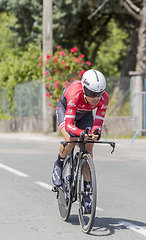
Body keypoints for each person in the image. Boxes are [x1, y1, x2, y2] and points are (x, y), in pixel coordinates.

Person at [52, 69, 109, 213]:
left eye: (99, 94)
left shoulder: (104, 98)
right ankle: (58, 164)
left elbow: (98, 122)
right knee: (71, 139)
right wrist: (80, 133)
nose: (96, 98)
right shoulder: (74, 93)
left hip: (85, 115)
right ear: (84, 89)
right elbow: (70, 125)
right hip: (65, 110)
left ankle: (87, 192)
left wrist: (96, 132)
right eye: (92, 94)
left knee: (89, 145)